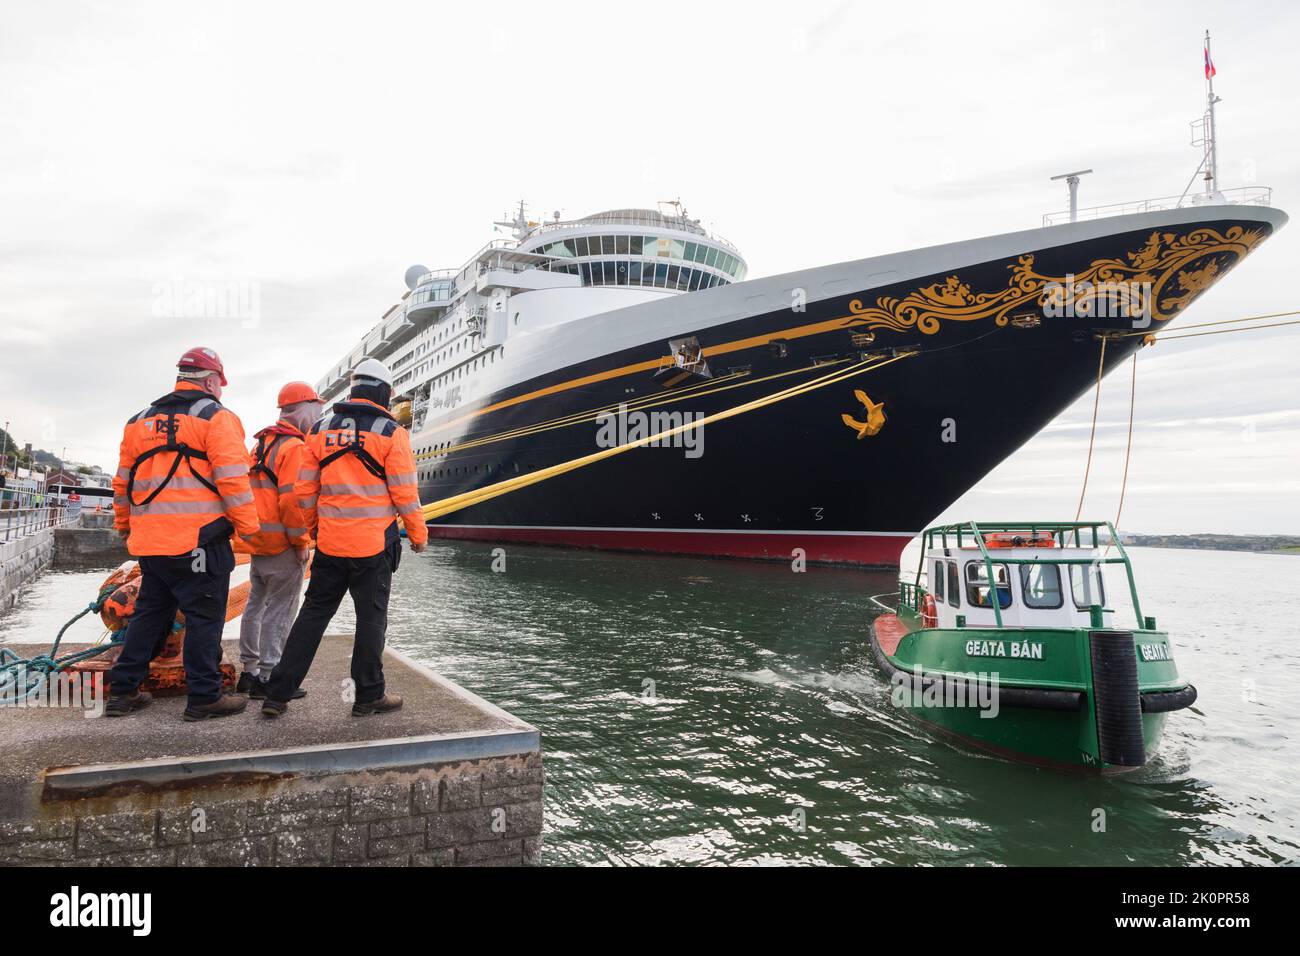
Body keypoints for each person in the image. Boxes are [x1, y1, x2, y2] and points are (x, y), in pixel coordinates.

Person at [262, 358, 427, 718]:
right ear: (384, 392)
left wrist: (312, 529)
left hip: (331, 545)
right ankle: (368, 696)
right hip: (374, 546)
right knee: (370, 620)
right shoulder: (391, 432)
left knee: (312, 615)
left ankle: (277, 694)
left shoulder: (320, 430)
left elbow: (302, 493)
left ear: (353, 388)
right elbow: (404, 494)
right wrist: (418, 534)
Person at [105, 346, 260, 721]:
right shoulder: (217, 418)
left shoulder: (137, 422)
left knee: (149, 616)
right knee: (205, 618)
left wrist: (125, 524)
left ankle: (123, 693)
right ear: (210, 382)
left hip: (150, 544)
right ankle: (205, 697)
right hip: (199, 543)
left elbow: (123, 483)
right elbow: (233, 482)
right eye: (219, 385)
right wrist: (250, 529)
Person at [233, 382, 324, 699]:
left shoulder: (262, 446)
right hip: (284, 545)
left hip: (258, 541)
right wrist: (301, 543)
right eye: (317, 407)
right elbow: (292, 502)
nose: (320, 414)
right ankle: (270, 677)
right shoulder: (294, 448)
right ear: (303, 408)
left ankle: (249, 671)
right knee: (280, 611)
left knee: (255, 605)